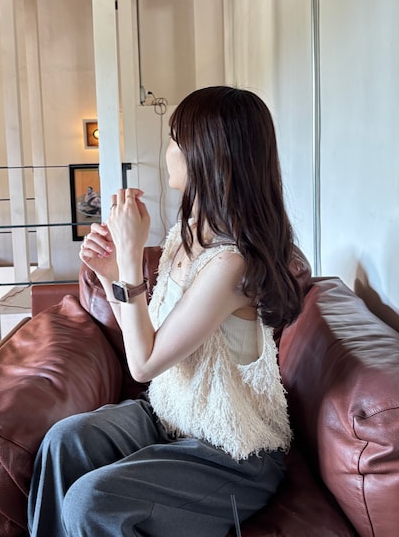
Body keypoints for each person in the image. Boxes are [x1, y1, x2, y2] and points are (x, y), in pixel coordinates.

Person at [28, 86, 303, 537]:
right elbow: (147, 337)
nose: (168, 150)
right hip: (171, 417)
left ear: (207, 156)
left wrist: (130, 257)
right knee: (65, 441)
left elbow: (143, 365)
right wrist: (110, 275)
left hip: (232, 452)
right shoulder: (184, 235)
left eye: (176, 140)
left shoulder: (232, 264)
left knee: (92, 501)